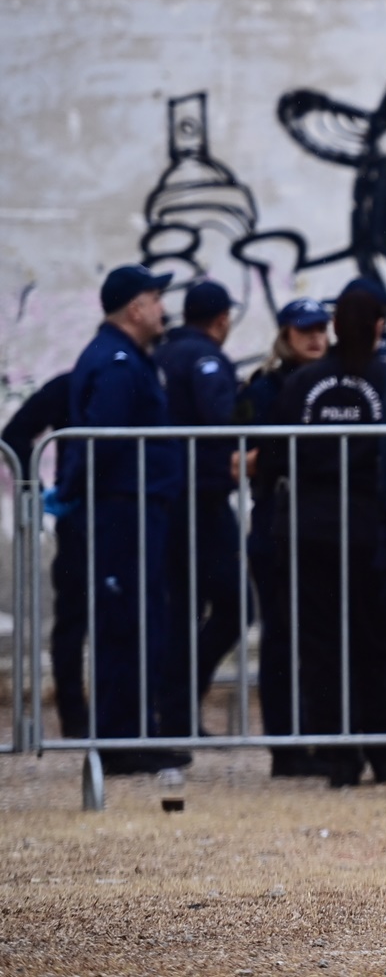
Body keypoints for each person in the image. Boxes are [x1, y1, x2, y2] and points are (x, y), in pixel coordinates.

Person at [56, 265, 188, 773]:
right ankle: (119, 741)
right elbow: (100, 440)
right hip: (120, 511)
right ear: (135, 307)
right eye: (155, 298)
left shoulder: (129, 357)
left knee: (143, 622)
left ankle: (138, 733)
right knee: (124, 625)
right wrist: (71, 492)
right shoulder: (115, 361)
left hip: (135, 509)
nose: (162, 307)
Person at [259, 285, 386, 787]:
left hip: (310, 529)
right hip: (368, 528)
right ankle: (385, 750)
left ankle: (338, 755)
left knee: (321, 646)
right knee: (375, 642)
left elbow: (273, 456)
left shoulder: (303, 382)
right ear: (379, 325)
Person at [237, 296, 332, 778]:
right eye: (304, 330)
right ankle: (286, 748)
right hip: (276, 523)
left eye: (321, 328)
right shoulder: (267, 387)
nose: (315, 337)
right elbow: (241, 457)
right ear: (285, 334)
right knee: (280, 637)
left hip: (317, 525)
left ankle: (321, 738)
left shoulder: (336, 381)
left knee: (321, 637)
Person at [154, 280, 247, 738]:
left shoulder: (164, 353)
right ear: (222, 319)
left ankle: (175, 710)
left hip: (174, 496)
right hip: (202, 499)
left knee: (183, 609)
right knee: (236, 603)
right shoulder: (206, 357)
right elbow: (221, 416)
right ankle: (179, 703)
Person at [2, 372, 87, 737]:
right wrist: (34, 491)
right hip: (82, 514)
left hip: (123, 513)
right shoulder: (78, 381)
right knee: (74, 616)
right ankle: (75, 714)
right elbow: (15, 434)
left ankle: (117, 715)